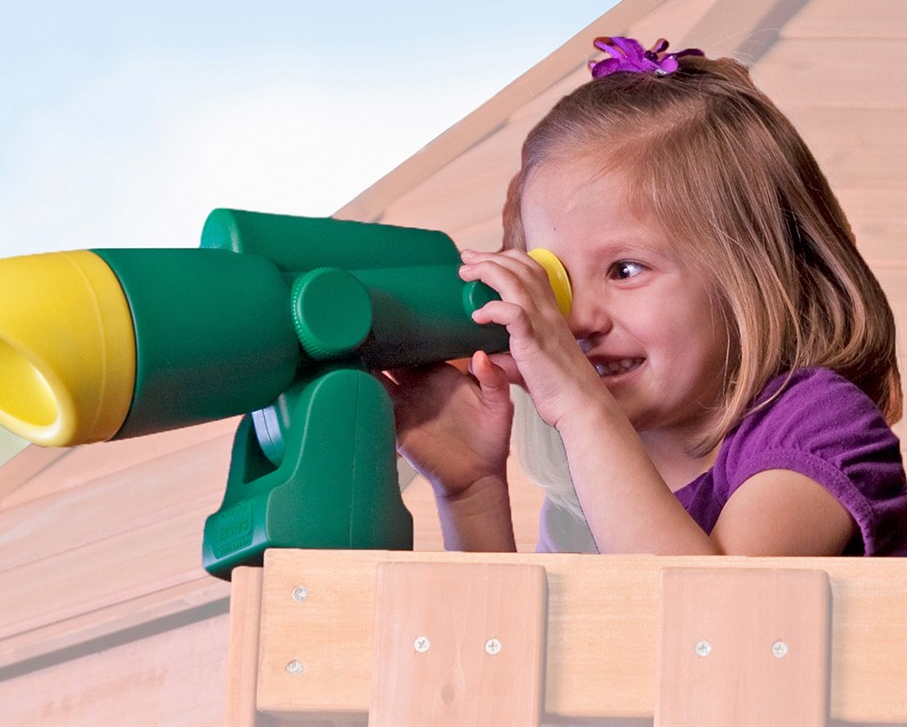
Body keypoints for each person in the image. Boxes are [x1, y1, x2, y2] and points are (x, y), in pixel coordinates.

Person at [382, 37, 907, 556]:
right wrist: (472, 493)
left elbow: (711, 623)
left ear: (755, 273)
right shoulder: (592, 478)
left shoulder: (818, 425)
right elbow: (505, 643)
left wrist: (580, 407)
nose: (579, 319)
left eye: (625, 270)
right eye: (554, 281)